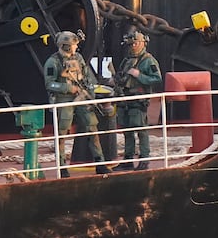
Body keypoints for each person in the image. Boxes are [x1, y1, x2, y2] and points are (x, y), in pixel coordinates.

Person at [44, 30, 111, 177]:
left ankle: (100, 163)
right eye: (73, 45)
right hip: (63, 100)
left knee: (91, 127)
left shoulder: (78, 58)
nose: (76, 48)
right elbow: (50, 84)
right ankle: (62, 166)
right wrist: (68, 88)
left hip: (81, 97)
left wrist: (90, 96)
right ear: (66, 46)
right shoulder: (53, 62)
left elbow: (86, 78)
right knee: (61, 133)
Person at [112, 30, 162, 171]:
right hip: (125, 99)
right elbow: (121, 76)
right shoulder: (127, 60)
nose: (133, 46)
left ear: (143, 43)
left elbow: (157, 78)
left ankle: (144, 159)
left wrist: (140, 75)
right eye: (131, 43)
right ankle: (128, 160)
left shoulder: (148, 61)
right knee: (127, 131)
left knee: (141, 130)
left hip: (138, 100)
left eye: (136, 43)